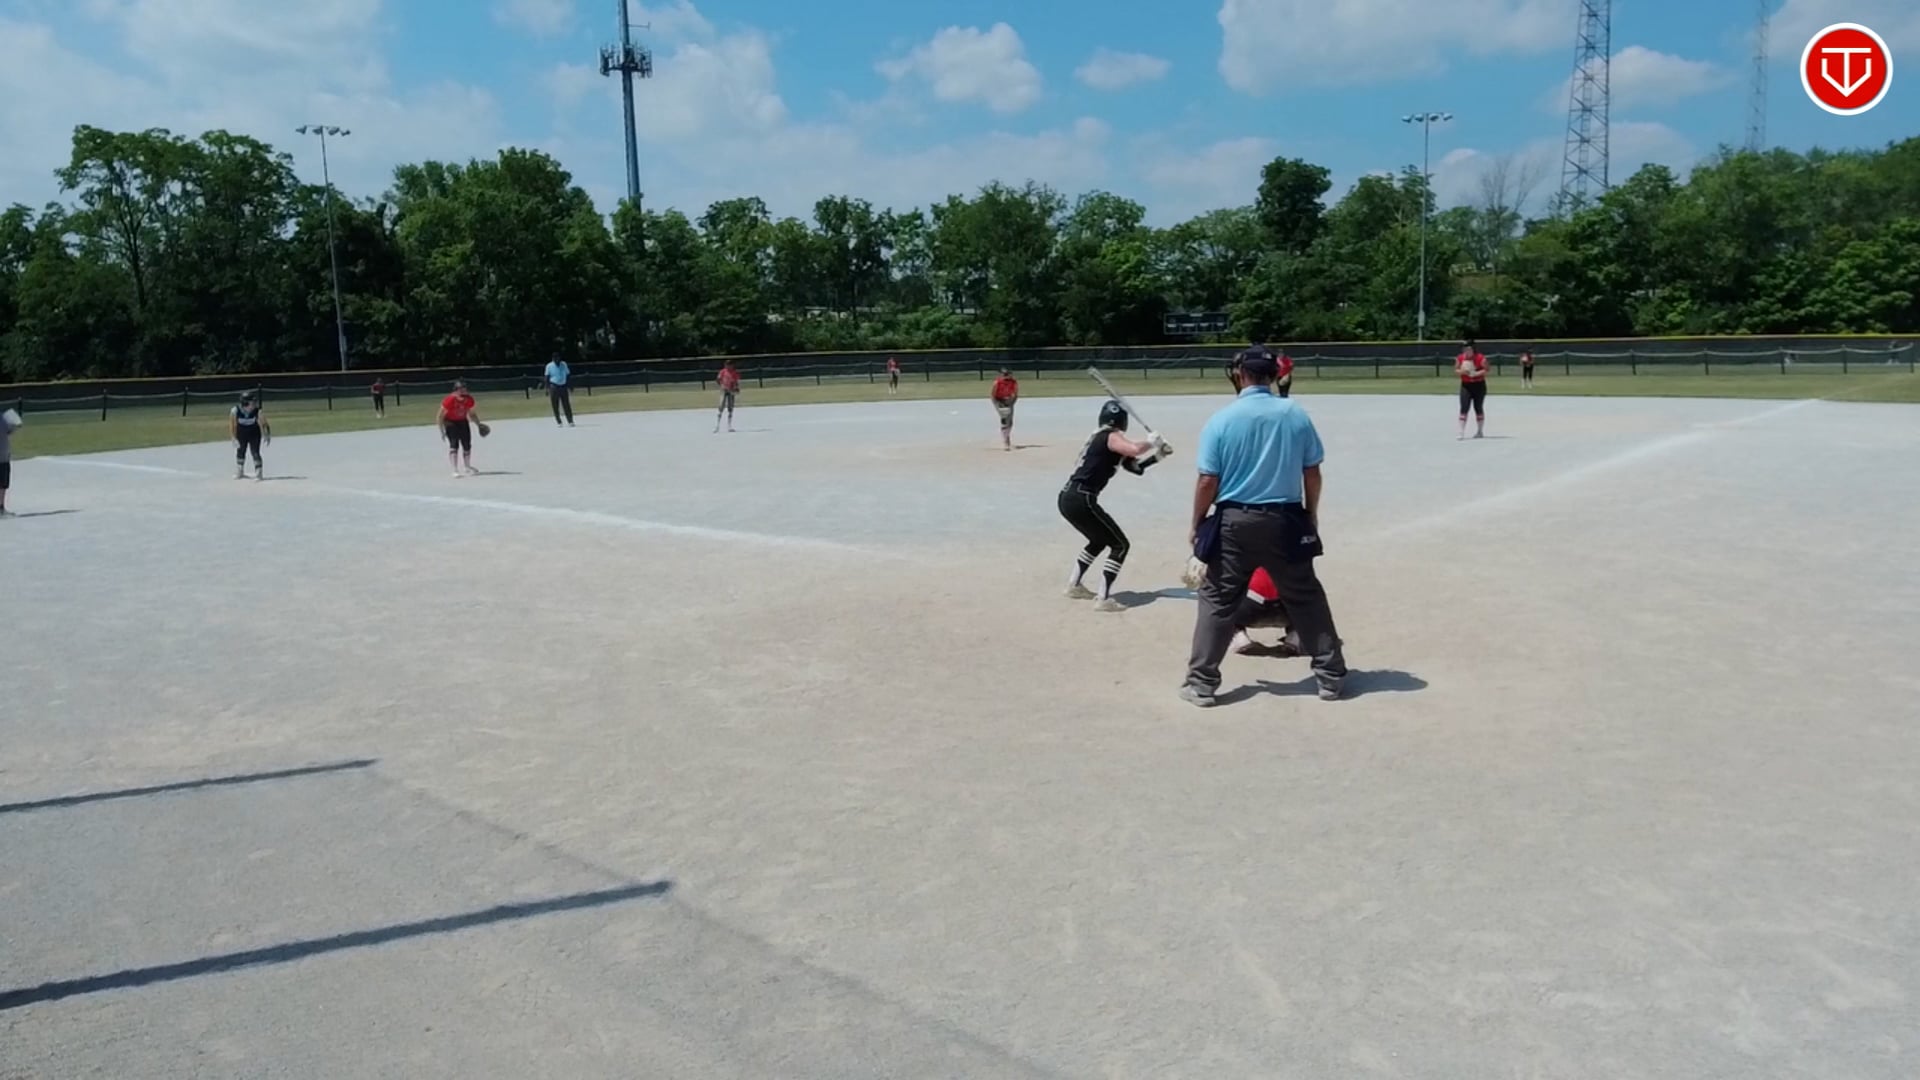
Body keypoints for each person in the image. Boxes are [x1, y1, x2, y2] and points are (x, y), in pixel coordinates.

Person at [1180, 345, 1347, 707]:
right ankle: (1330, 677)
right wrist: (1311, 513)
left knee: (1217, 599)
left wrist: (1197, 522)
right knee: (1306, 596)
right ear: (1274, 376)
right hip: (1285, 519)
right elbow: (1312, 472)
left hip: (1234, 522)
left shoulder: (1222, 419)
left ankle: (1202, 684)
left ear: (1240, 375)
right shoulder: (1295, 414)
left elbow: (1207, 480)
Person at [1059, 400, 1172, 613]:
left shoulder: (1105, 440)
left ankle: (1074, 585)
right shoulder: (1109, 437)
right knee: (1120, 545)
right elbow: (1135, 449)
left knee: (1098, 540)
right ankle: (1103, 599)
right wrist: (1151, 441)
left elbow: (1136, 467)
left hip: (1070, 497)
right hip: (1081, 498)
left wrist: (1159, 455)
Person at [439, 380, 484, 478]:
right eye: (461, 388)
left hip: (462, 421)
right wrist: (442, 430)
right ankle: (455, 470)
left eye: (465, 388)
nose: (464, 390)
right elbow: (440, 416)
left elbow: (472, 414)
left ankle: (467, 466)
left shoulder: (469, 399)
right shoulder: (450, 399)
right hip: (450, 422)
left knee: (467, 444)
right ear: (456, 390)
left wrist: (478, 424)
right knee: (454, 444)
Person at [230, 390, 270, 480]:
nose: (254, 404)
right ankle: (240, 471)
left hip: (254, 433)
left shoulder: (257, 411)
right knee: (240, 451)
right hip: (241, 433)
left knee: (255, 452)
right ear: (245, 403)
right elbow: (232, 425)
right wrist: (233, 437)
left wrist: (267, 434)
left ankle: (259, 472)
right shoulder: (235, 411)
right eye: (252, 403)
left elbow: (264, 423)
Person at [1457, 337, 1489, 439]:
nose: (1466, 350)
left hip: (1479, 385)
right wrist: (1462, 372)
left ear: (1473, 348)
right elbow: (1456, 370)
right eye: (1464, 348)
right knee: (1464, 407)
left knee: (1478, 407)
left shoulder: (1480, 358)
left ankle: (1480, 431)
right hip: (1466, 385)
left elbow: (1487, 369)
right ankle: (1461, 432)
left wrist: (1476, 373)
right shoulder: (1460, 358)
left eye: (1468, 348)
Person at [990, 367, 1019, 451]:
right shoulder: (997, 383)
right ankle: (1005, 441)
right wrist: (998, 406)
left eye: (1008, 374)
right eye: (1004, 374)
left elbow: (1015, 394)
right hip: (999, 401)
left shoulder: (1014, 382)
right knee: (1004, 419)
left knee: (1010, 422)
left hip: (1009, 401)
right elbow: (992, 395)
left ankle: (1007, 436)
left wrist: (1012, 403)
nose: (1007, 375)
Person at [545, 353, 575, 427]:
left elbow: (568, 375)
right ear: (553, 359)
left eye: (558, 358)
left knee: (566, 404)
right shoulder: (549, 366)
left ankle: (570, 421)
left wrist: (570, 386)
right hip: (554, 386)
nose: (557, 360)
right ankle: (559, 421)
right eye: (555, 359)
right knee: (555, 405)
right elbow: (547, 378)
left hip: (563, 386)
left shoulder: (564, 364)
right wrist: (547, 388)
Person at [0, 407, 20, 517]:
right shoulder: (3, 418)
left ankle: (1, 508)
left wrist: (14, 426)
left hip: (3, 455)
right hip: (3, 455)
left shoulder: (3, 418)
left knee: (3, 485)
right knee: (2, 484)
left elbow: (9, 431)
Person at [715, 361, 741, 433]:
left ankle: (729, 426)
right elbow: (718, 379)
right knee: (721, 405)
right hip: (724, 390)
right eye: (727, 365)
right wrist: (721, 385)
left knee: (730, 407)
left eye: (730, 365)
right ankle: (717, 425)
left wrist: (736, 388)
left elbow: (736, 382)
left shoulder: (734, 372)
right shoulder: (723, 371)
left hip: (731, 391)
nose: (728, 366)